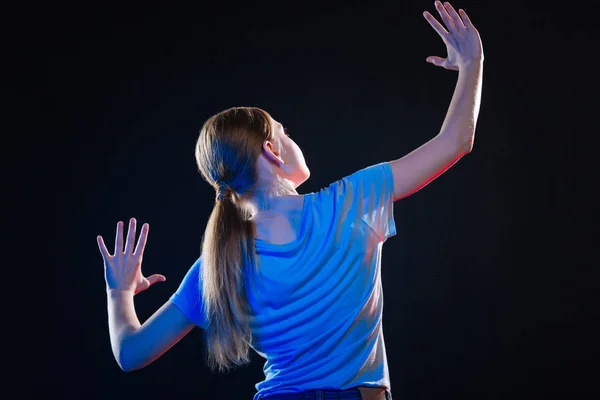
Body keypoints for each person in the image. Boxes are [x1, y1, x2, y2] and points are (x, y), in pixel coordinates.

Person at [96, 2, 483, 399]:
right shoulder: (351, 202)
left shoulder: (219, 261)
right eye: (284, 131)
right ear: (272, 151)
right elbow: (456, 141)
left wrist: (119, 291)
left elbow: (130, 353)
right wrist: (472, 63)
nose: (291, 138)